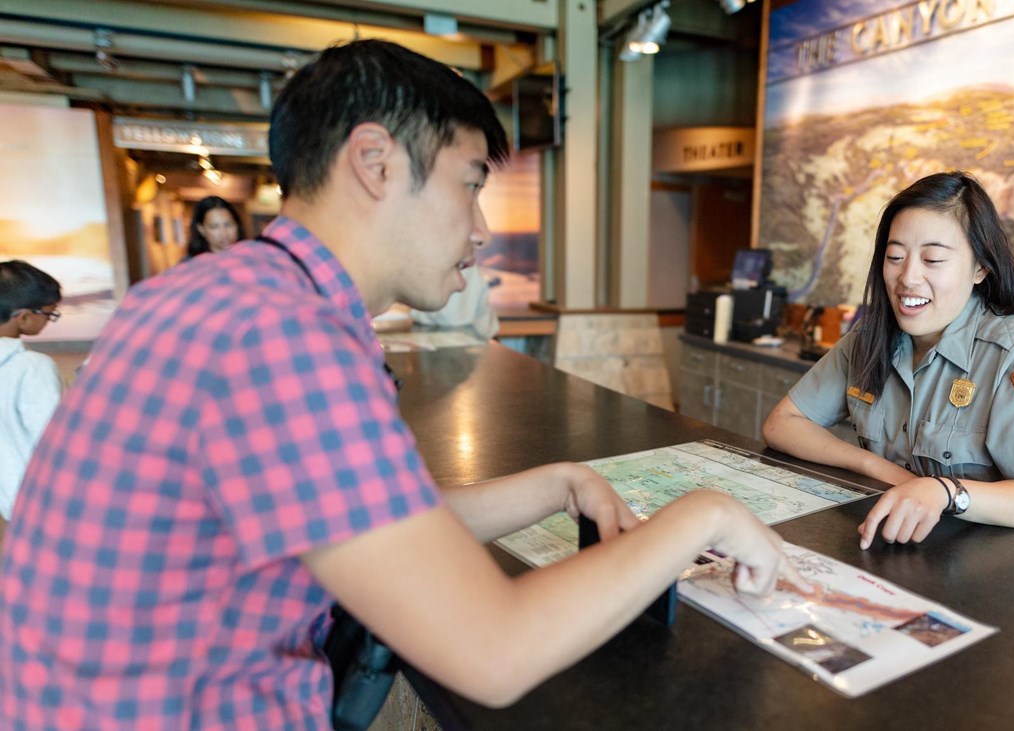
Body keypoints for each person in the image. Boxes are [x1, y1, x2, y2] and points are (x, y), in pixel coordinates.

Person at [0, 39, 806, 729]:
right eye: (469, 182)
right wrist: (703, 513)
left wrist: (563, 481)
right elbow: (493, 649)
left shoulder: (222, 295)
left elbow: (370, 524)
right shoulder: (284, 336)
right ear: (377, 163)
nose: (483, 227)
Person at [763, 171, 1014, 550]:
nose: (908, 278)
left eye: (933, 259)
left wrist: (945, 492)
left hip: (978, 566)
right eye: (895, 257)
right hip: (888, 544)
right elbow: (783, 423)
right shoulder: (872, 338)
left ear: (980, 269)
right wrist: (874, 467)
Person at [0, 260, 63, 546]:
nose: (50, 319)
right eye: (50, 314)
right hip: (44, 500)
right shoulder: (32, 366)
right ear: (24, 317)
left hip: (8, 499)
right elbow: (53, 440)